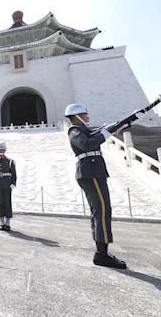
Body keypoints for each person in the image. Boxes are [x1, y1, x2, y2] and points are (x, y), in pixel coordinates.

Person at [65, 104, 127, 269]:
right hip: (90, 172)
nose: (87, 116)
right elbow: (86, 144)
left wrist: (121, 125)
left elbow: (98, 133)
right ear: (77, 116)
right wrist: (105, 134)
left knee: (100, 210)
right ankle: (102, 254)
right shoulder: (75, 130)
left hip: (93, 172)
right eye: (85, 114)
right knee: (102, 210)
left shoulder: (84, 129)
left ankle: (102, 251)